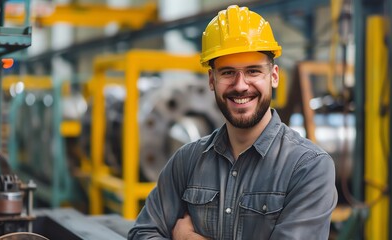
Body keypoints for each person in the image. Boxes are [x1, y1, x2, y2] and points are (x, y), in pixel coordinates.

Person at [128, 5, 337, 240]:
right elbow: (142, 233)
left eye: (253, 71)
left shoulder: (308, 168)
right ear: (211, 79)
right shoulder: (186, 161)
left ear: (274, 76)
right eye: (227, 72)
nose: (240, 85)